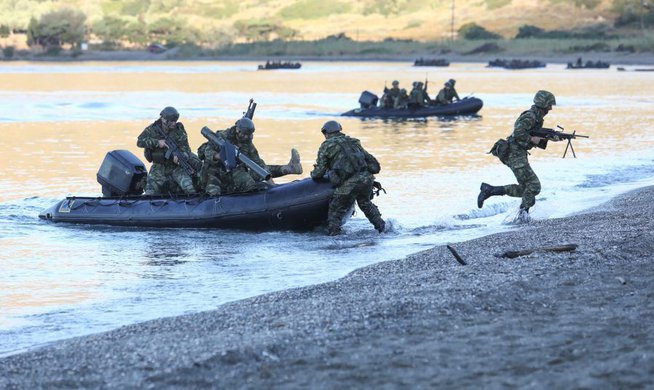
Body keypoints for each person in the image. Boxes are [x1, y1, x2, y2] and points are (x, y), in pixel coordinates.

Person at [477, 90, 561, 221]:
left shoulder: (537, 118)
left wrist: (550, 138)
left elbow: (533, 135)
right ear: (543, 104)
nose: (550, 108)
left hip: (518, 154)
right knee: (534, 186)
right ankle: (523, 215)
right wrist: (534, 140)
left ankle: (490, 190)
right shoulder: (531, 116)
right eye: (549, 105)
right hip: (514, 154)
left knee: (526, 189)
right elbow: (518, 133)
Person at [310, 120, 385, 236]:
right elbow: (372, 163)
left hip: (348, 185)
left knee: (335, 212)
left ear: (326, 133)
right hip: (366, 180)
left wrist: (313, 174)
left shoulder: (326, 146)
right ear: (339, 130)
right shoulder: (354, 142)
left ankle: (335, 238)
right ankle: (382, 229)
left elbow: (318, 172)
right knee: (366, 203)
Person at [199, 117, 302, 196]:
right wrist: (221, 156)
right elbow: (207, 152)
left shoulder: (247, 142)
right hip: (219, 171)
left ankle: (289, 168)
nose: (247, 137)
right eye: (244, 134)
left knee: (257, 170)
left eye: (249, 135)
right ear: (238, 130)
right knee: (247, 182)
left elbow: (257, 163)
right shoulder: (222, 137)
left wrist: (273, 185)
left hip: (236, 169)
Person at [137, 106, 197, 195]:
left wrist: (182, 156)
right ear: (164, 120)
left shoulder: (179, 130)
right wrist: (157, 142)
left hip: (175, 167)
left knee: (189, 188)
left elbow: (186, 149)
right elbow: (139, 142)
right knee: (150, 193)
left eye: (175, 121)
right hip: (159, 167)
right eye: (172, 121)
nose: (174, 123)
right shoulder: (152, 129)